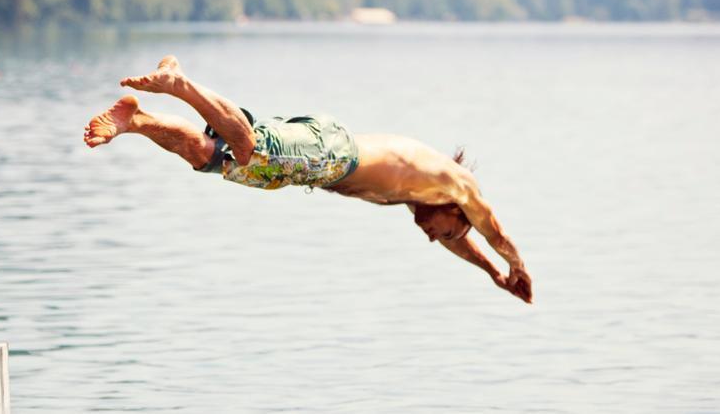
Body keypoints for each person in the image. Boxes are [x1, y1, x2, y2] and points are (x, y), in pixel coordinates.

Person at [84, 56, 533, 304]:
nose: (435, 239)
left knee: (208, 157)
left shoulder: (424, 197)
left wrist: (492, 273)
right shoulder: (455, 184)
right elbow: (493, 229)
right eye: (447, 231)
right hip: (332, 154)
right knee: (250, 147)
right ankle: (181, 85)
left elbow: (463, 241)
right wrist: (516, 266)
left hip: (318, 166)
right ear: (456, 209)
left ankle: (137, 119)